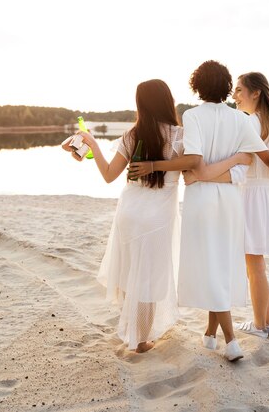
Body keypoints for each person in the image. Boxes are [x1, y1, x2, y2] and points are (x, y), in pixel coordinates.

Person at [129, 61, 269, 361]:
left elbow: (196, 164)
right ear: (227, 86)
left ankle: (231, 341)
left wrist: (194, 173)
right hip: (229, 199)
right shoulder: (240, 119)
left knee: (212, 265)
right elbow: (258, 159)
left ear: (197, 86)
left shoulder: (194, 115)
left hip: (201, 199)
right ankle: (210, 334)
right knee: (222, 263)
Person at [63, 79, 182, 353]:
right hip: (158, 216)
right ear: (168, 101)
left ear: (140, 104)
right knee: (149, 277)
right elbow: (193, 171)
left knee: (131, 273)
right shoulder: (179, 136)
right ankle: (141, 340)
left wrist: (92, 145)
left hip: (130, 211)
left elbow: (108, 176)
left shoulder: (131, 135)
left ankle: (133, 332)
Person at [187, 72, 269, 339]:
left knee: (253, 264)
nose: (234, 96)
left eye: (239, 91)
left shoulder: (252, 123)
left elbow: (263, 161)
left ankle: (259, 325)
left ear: (255, 93)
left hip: (253, 195)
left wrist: (206, 173)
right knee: (257, 262)